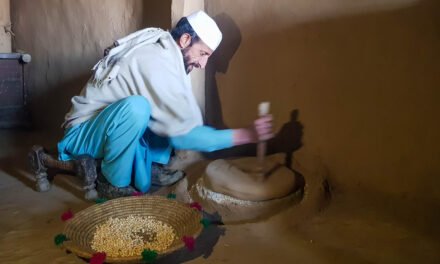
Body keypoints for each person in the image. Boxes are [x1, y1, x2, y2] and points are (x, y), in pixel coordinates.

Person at [57, 10, 273, 198]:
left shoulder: (170, 52)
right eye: (203, 53)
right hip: (82, 135)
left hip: (106, 128)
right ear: (186, 40)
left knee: (162, 110)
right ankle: (113, 184)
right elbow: (184, 135)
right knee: (138, 108)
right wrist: (246, 135)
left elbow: (178, 114)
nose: (203, 63)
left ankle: (153, 167)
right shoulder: (157, 61)